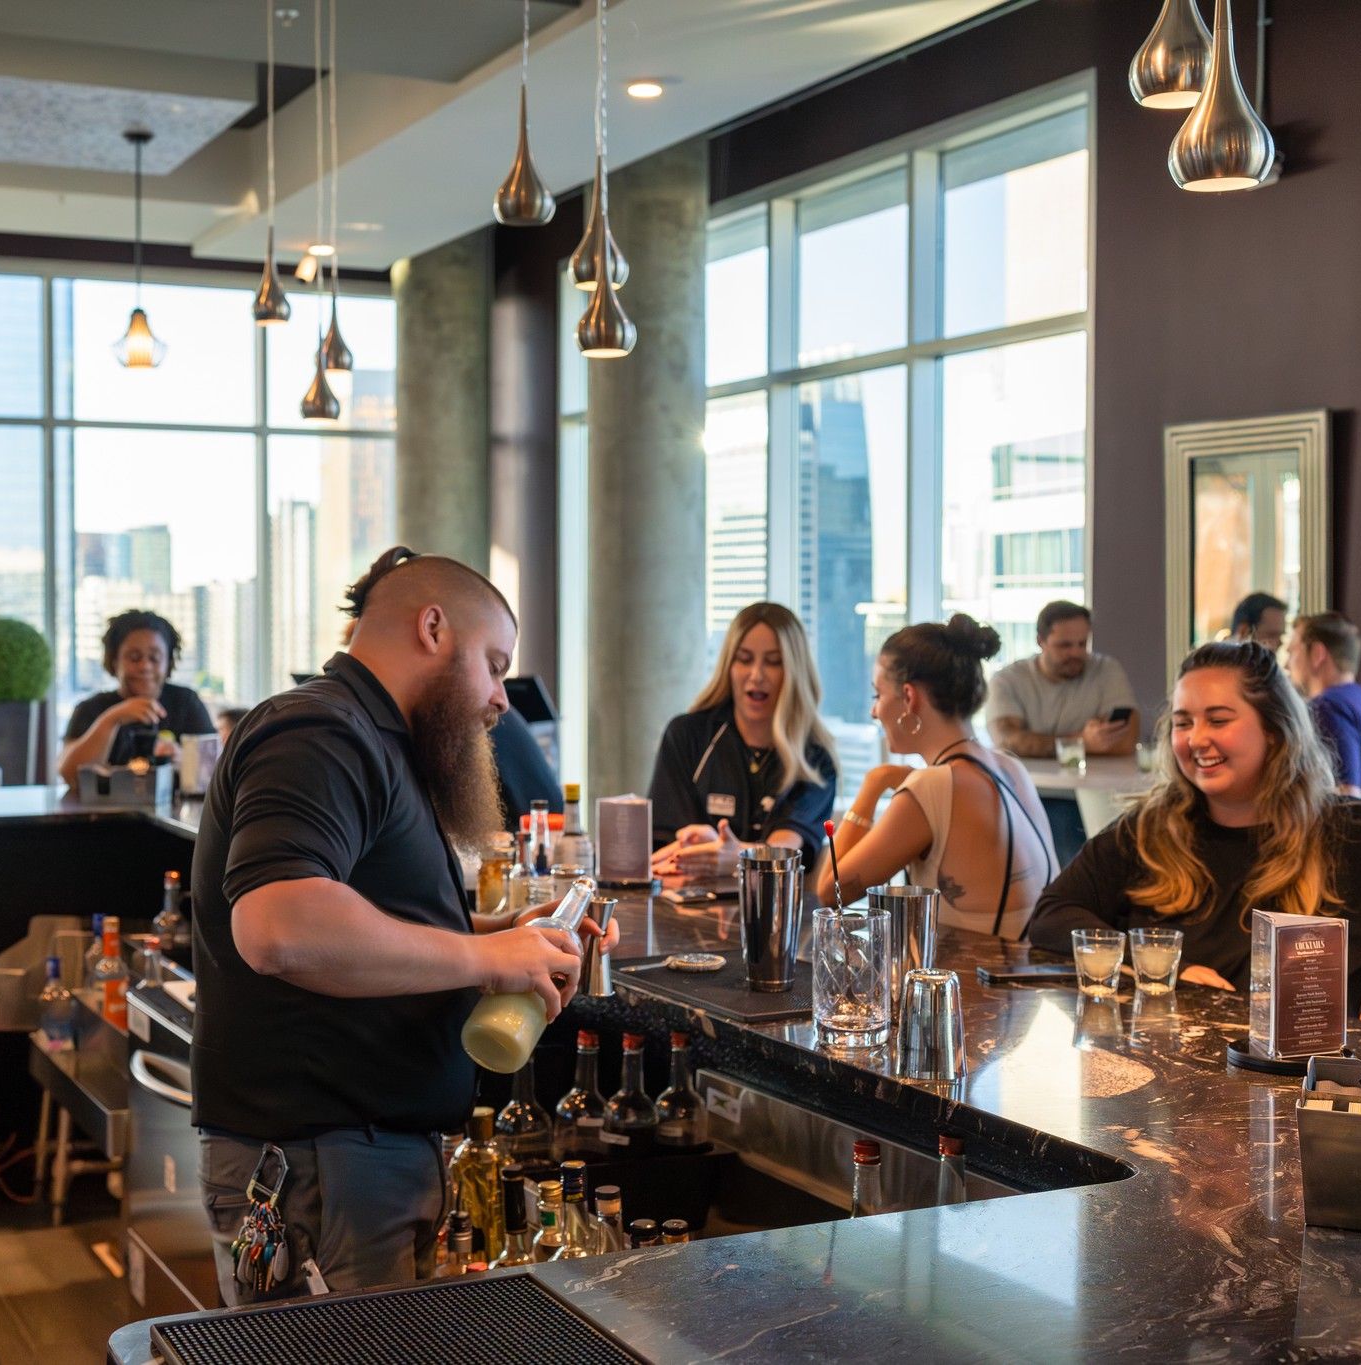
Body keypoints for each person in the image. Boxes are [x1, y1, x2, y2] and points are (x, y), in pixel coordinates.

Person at [189, 547, 614, 1301]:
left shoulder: (373, 738)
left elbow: (373, 921)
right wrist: (485, 961)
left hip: (353, 1160)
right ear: (432, 627)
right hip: (319, 1168)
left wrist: (503, 933)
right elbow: (279, 923)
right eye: (493, 662)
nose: (503, 699)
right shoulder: (320, 733)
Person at [1026, 642, 1361, 1023]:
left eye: (1218, 719)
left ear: (1275, 730)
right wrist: (1155, 963)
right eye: (1182, 722)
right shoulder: (1149, 830)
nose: (1196, 739)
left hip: (1310, 1103)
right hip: (1169, 1099)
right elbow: (1051, 918)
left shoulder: (1357, 834)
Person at [815, 617, 1056, 938]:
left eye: (877, 695)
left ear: (909, 697)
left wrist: (873, 785)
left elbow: (831, 891)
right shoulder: (1010, 767)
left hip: (968, 983)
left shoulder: (933, 786)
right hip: (1032, 978)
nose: (874, 711)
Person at [647, 602, 838, 874]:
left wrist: (733, 856)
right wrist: (719, 852)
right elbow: (667, 849)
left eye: (773, 662)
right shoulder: (687, 736)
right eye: (744, 659)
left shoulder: (814, 760)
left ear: (794, 671)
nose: (756, 675)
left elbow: (782, 856)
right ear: (728, 665)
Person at [57, 610, 214, 782]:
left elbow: (216, 770)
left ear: (168, 663)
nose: (145, 666)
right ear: (114, 660)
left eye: (154, 658)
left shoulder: (186, 703)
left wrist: (185, 760)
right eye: (134, 657)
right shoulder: (90, 709)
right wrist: (111, 719)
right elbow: (69, 774)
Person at [986, 601, 1140, 760]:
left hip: (1093, 783)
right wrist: (1082, 741)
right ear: (1040, 641)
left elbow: (1125, 741)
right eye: (1064, 645)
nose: (1076, 653)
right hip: (1027, 782)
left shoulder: (1106, 669)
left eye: (1082, 643)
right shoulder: (1006, 680)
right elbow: (1007, 741)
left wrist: (1036, 741)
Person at [1284, 611, 1361, 795]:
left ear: (1318, 653)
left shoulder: (1328, 707)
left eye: (1293, 651)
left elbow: (1347, 800)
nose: (1287, 664)